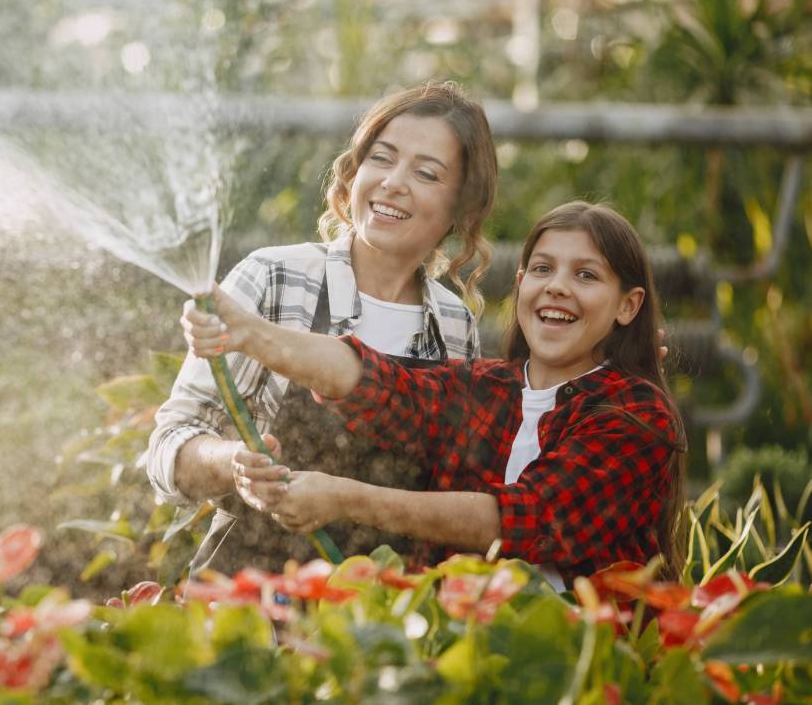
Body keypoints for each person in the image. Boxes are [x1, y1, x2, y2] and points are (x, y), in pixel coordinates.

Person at [182, 201, 687, 588]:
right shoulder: (486, 389)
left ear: (628, 305)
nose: (556, 287)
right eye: (542, 269)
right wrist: (249, 333)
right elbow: (374, 383)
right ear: (520, 283)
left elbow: (518, 520)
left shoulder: (638, 416)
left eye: (586, 275)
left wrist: (344, 499)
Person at [146, 81, 498, 572]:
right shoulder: (275, 278)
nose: (393, 182)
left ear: (461, 206)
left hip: (386, 610)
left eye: (426, 173)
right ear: (354, 172)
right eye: (382, 158)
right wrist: (233, 463)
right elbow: (169, 448)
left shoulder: (453, 326)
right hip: (253, 598)